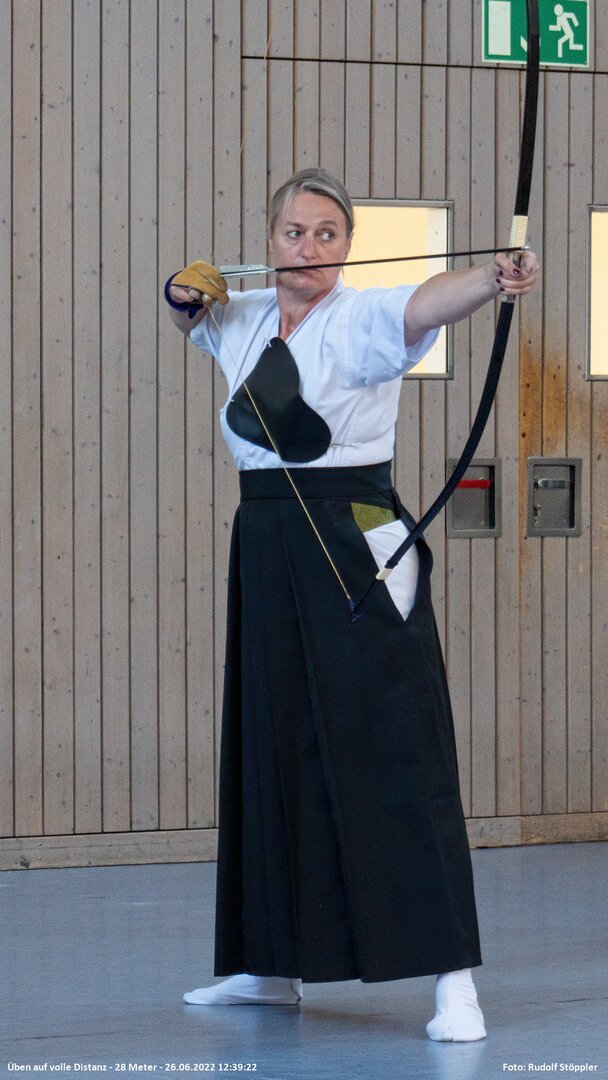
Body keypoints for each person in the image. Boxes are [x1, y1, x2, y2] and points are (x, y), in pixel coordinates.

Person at [165, 168, 539, 1042]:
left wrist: (490, 278)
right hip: (266, 542)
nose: (310, 248)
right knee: (273, 744)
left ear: (347, 246)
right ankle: (268, 965)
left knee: (395, 749)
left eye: (327, 234)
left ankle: (454, 980)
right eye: (294, 232)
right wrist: (181, 288)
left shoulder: (365, 316)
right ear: (269, 241)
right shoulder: (243, 315)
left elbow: (428, 301)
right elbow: (189, 312)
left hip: (354, 541)